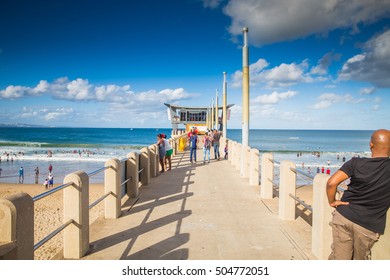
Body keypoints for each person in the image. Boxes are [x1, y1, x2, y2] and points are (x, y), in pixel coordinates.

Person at [326, 129, 390, 260]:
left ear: (371, 144)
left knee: (339, 259)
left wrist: (332, 201)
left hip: (344, 215)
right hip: (368, 224)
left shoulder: (355, 163)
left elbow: (332, 183)